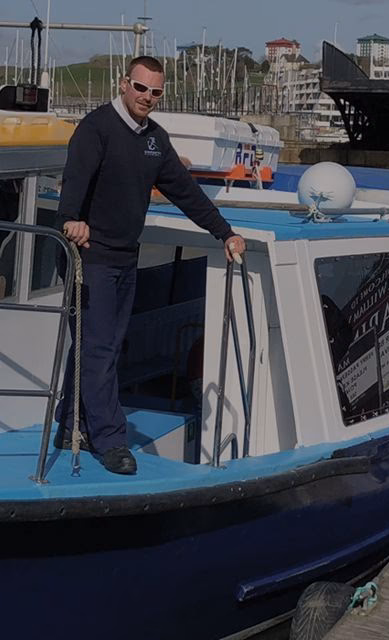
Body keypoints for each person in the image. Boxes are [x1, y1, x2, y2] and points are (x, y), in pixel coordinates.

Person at [53, 55, 246, 475]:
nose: (147, 97)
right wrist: (71, 218)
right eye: (140, 88)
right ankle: (110, 441)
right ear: (125, 84)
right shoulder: (96, 127)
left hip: (125, 256)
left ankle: (70, 424)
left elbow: (185, 192)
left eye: (155, 92)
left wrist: (224, 232)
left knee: (98, 346)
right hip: (89, 256)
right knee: (100, 347)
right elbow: (75, 181)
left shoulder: (155, 139)